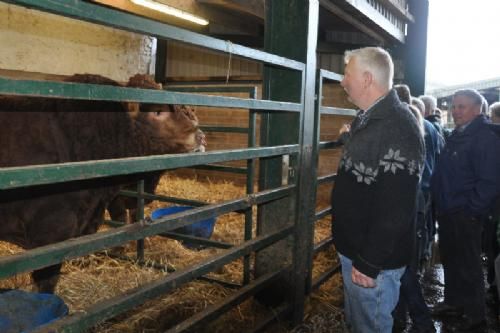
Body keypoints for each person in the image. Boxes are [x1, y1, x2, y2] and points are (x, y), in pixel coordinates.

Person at [331, 47, 425, 333]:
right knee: (359, 322)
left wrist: (370, 261)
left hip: (373, 262)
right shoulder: (370, 118)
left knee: (371, 326)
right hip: (356, 250)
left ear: (367, 78)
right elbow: (373, 163)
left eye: (347, 75)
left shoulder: (399, 127)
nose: (342, 81)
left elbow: (396, 208)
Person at [431, 89, 500, 332]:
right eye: (454, 106)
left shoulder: (485, 138)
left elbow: (490, 181)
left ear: (477, 109)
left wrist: (472, 210)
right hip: (449, 210)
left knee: (469, 264)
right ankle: (453, 302)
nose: (455, 111)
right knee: (451, 259)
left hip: (465, 213)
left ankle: (475, 315)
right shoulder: (458, 135)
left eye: (462, 106)